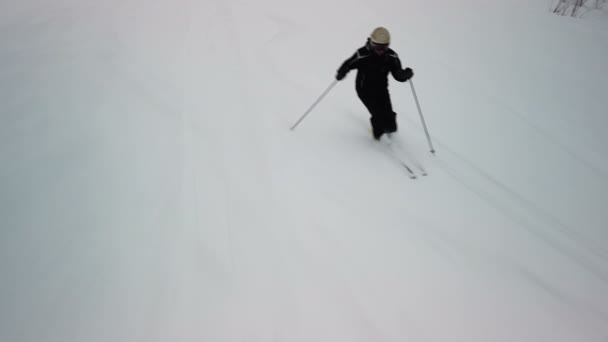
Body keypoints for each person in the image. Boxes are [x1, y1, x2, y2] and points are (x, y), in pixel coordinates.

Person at [336, 27, 414, 140]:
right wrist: (341, 72)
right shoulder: (362, 54)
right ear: (371, 43)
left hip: (382, 89)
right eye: (377, 47)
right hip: (364, 89)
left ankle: (390, 133)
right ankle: (377, 142)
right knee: (378, 116)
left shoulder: (391, 57)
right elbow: (348, 64)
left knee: (390, 123)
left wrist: (404, 75)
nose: (380, 51)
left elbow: (397, 74)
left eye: (384, 47)